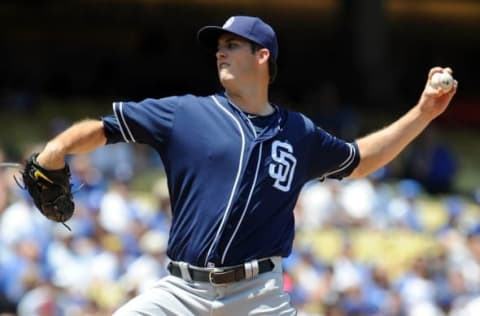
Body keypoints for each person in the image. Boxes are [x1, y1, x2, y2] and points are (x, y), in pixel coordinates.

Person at [33, 15, 457, 315]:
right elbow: (104, 129)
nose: (221, 53)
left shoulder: (299, 132)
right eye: (218, 48)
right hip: (182, 292)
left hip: (260, 297)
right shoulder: (186, 113)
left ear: (262, 56)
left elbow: (360, 160)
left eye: (232, 45)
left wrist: (423, 113)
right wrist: (57, 149)